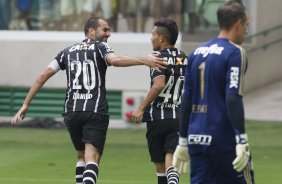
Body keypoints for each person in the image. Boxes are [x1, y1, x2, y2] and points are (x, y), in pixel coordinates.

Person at [11, 17, 166, 184]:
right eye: (105, 30)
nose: (109, 34)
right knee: (92, 156)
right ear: (92, 31)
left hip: (72, 112)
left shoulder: (66, 52)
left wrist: (25, 104)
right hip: (95, 110)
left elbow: (43, 76)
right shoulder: (100, 47)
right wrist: (144, 60)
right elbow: (115, 60)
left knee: (81, 155)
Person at [172, 1, 255, 184]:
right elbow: (232, 96)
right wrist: (241, 139)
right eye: (246, 25)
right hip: (223, 139)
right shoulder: (235, 53)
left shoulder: (195, 53)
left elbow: (185, 98)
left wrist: (183, 140)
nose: (246, 31)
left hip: (196, 138)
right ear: (238, 23)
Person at [132, 18, 187, 184]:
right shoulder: (184, 58)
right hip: (177, 116)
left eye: (153, 34)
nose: (151, 38)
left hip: (157, 117)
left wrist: (140, 108)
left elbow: (159, 84)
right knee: (170, 157)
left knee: (160, 166)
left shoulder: (156, 57)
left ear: (161, 38)